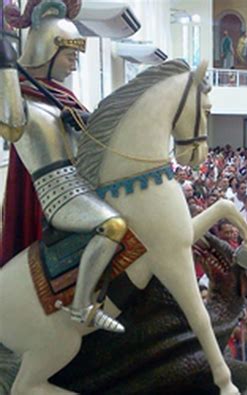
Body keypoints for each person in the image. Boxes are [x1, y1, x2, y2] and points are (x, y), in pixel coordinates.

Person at [1, 0, 125, 332]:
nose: (73, 66)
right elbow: (12, 125)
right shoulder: (24, 95)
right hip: (51, 191)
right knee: (111, 225)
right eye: (70, 56)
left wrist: (82, 123)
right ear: (48, 51)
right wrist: (7, 66)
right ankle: (80, 305)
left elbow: (88, 145)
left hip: (81, 181)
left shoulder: (64, 98)